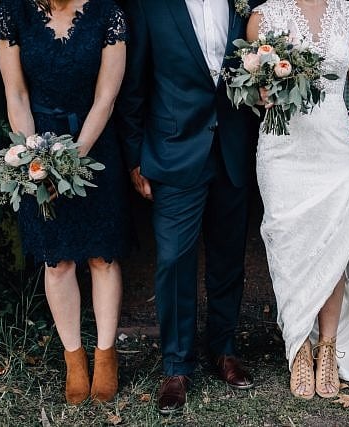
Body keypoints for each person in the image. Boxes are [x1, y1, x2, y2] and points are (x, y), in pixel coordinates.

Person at [248, 0, 349, 399]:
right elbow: (254, 93)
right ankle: (299, 345)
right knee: (289, 245)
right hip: (283, 148)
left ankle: (328, 345)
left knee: (335, 242)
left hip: (335, 145)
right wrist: (262, 93)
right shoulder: (263, 16)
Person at [116, 0, 265, 415]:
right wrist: (134, 156)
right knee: (173, 259)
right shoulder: (149, 8)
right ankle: (177, 366)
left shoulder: (245, 4)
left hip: (232, 147)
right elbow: (134, 85)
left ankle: (224, 349)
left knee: (228, 255)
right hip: (174, 151)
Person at [0, 0, 130, 405]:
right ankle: (74, 358)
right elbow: (16, 93)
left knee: (102, 257)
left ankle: (106, 356)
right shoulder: (11, 14)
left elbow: (106, 96)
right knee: (58, 260)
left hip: (94, 145)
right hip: (36, 150)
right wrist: (37, 158)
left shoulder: (109, 14)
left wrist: (73, 161)